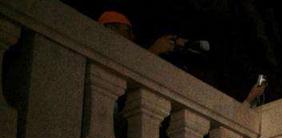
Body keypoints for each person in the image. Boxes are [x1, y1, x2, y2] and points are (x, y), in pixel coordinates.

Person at [97, 11, 267, 105]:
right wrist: (154, 52)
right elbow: (125, 77)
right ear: (110, 29)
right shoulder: (102, 49)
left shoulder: (133, 55)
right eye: (127, 30)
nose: (132, 37)